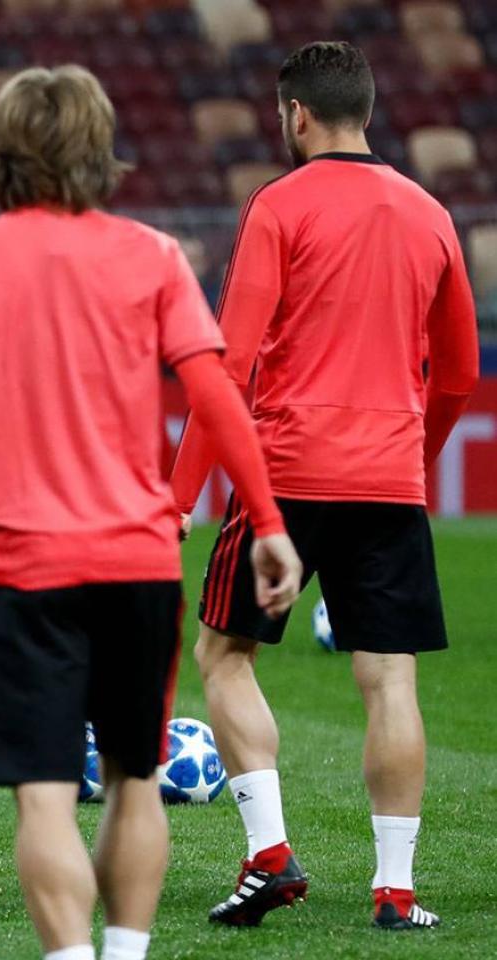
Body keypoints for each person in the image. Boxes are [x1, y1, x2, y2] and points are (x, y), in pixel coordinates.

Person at [0, 67, 303, 960]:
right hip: (140, 561)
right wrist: (268, 522)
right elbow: (217, 394)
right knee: (134, 781)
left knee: (43, 793)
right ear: (97, 149)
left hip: (24, 567)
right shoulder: (154, 256)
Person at [170, 41, 480, 931]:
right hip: (386, 479)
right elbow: (457, 372)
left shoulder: (279, 204)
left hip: (286, 477)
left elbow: (225, 365)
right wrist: (414, 460)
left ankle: (270, 855)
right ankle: (396, 890)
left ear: (295, 114)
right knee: (390, 681)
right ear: (368, 111)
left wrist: (179, 495)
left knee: (224, 658)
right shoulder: (430, 213)